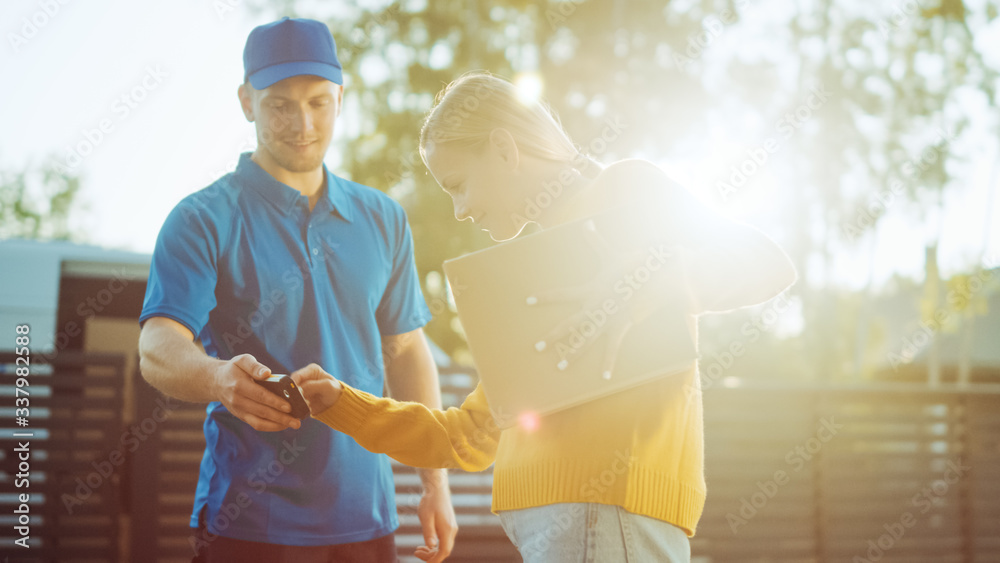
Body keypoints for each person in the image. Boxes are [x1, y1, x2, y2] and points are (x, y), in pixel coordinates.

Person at [291, 72, 799, 562]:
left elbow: (768, 264)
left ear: (505, 149)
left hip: (608, 513)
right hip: (561, 529)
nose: (460, 210)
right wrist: (341, 404)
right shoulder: (529, 280)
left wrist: (640, 285)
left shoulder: (623, 190)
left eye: (459, 184)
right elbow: (466, 436)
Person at [137, 17, 457, 563]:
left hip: (368, 517)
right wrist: (218, 377)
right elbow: (157, 347)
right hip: (249, 521)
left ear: (339, 98)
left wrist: (436, 480)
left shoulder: (383, 219)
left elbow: (406, 351)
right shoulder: (202, 219)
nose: (302, 122)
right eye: (279, 104)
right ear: (246, 101)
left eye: (317, 102)